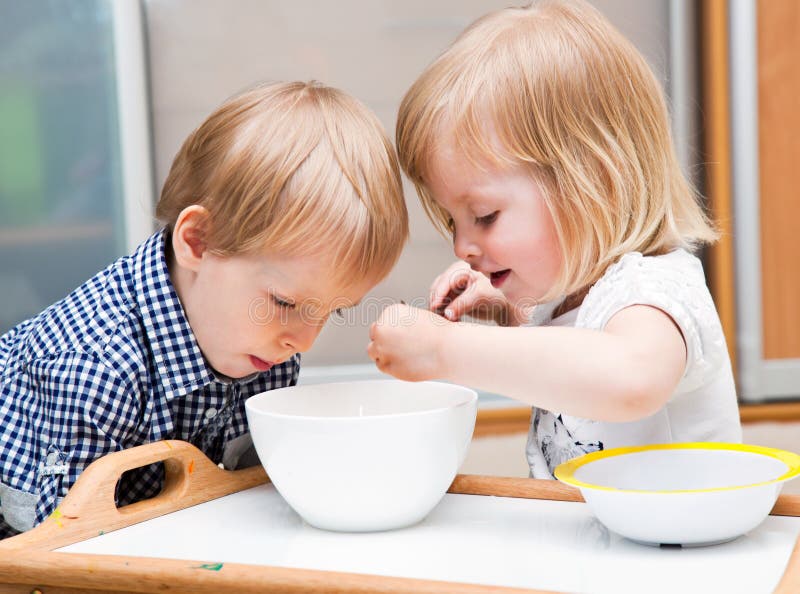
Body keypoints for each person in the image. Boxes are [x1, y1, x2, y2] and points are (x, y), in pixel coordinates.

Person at [0, 81, 408, 535]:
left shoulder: (265, 347)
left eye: (330, 311)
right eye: (285, 302)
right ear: (198, 241)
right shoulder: (95, 370)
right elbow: (55, 557)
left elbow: (252, 496)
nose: (303, 340)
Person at [368, 0, 741, 479]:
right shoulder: (566, 292)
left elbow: (630, 378)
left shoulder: (655, 291)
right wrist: (510, 314)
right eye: (452, 219)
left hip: (678, 549)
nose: (462, 246)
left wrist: (446, 348)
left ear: (594, 182)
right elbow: (574, 348)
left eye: (484, 215)